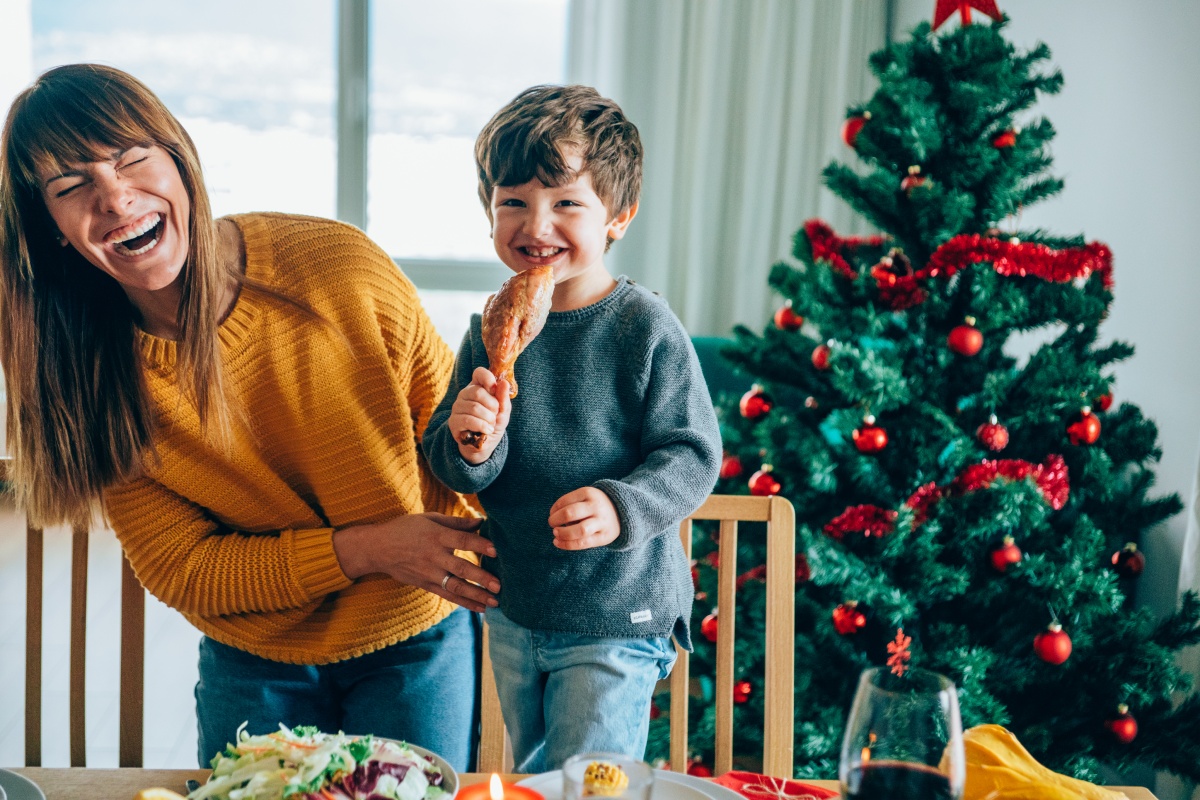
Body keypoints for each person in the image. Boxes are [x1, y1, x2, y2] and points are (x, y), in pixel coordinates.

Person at [0, 63, 500, 771]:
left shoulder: (337, 270)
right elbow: (188, 569)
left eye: (131, 156)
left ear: (180, 161)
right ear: (50, 227)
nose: (114, 197)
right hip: (253, 653)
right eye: (71, 184)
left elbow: (466, 454)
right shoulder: (79, 372)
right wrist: (371, 547)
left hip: (414, 628)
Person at [422, 85, 721, 772]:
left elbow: (692, 453)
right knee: (534, 776)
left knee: (589, 782)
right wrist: (471, 441)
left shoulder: (642, 327)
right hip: (517, 600)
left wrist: (622, 506)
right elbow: (456, 460)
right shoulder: (489, 330)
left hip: (617, 608)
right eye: (514, 203)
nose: (537, 225)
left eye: (566, 204)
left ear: (618, 216)